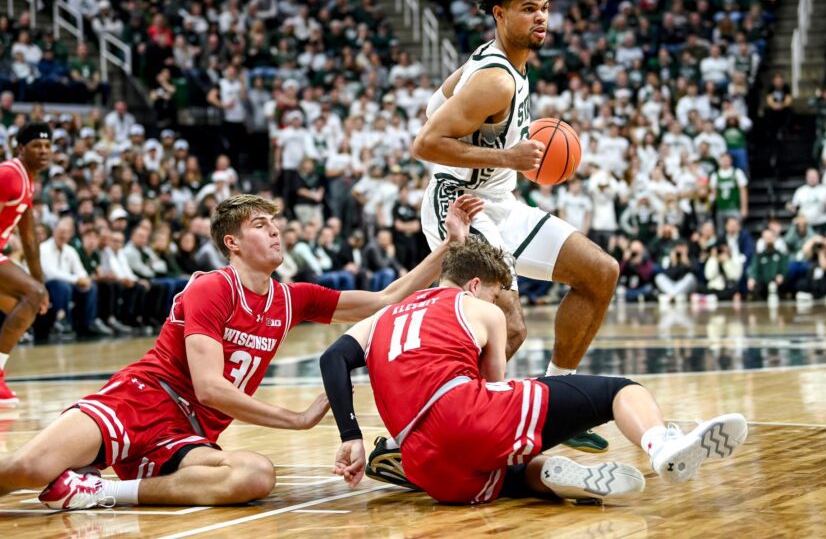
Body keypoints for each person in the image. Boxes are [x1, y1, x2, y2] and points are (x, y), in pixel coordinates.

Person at [0, 193, 483, 510]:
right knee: (26, 469)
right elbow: (210, 388)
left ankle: (98, 491)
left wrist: (449, 244)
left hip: (184, 434)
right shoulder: (212, 288)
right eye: (260, 225)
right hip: (139, 400)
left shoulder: (290, 298)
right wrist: (293, 419)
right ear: (232, 242)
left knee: (255, 475)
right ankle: (74, 477)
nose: (275, 231)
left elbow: (384, 299)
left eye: (275, 223)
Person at [320, 238, 748, 504]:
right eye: (495, 293)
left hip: (427, 467)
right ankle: (662, 445)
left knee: (515, 472)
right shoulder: (475, 309)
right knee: (619, 390)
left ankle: (552, 477)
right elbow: (493, 391)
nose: (496, 302)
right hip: (463, 415)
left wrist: (351, 436)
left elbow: (333, 359)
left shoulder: (385, 317)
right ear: (474, 286)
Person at [411, 0, 619, 455]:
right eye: (529, 9)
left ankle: (557, 397)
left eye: (545, 8)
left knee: (600, 272)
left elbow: (432, 105)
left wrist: (497, 151)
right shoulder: (495, 78)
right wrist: (504, 153)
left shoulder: (499, 63)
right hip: (460, 203)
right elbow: (425, 142)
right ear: (500, 13)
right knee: (510, 325)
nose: (541, 18)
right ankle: (437, 435)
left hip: (501, 201)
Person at [0, 122, 51, 404]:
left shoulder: (27, 179)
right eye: (36, 146)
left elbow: (29, 239)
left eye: (47, 146)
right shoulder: (9, 174)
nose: (43, 151)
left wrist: (41, 285)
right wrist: (37, 289)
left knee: (26, 302)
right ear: (21, 148)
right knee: (30, 296)